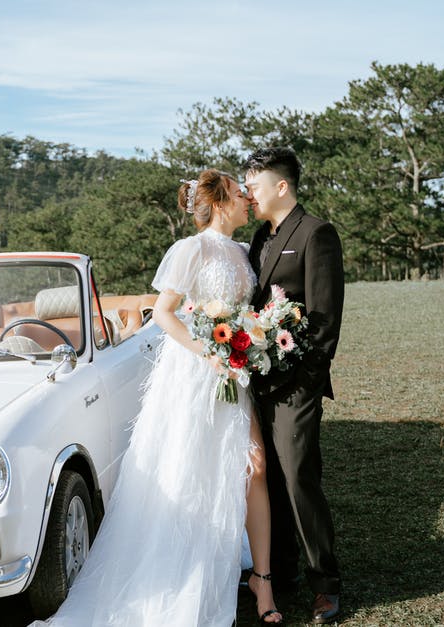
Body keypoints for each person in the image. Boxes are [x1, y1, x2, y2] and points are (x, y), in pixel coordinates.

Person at [32, 169, 282, 626]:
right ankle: (187, 568)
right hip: (195, 372)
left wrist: (248, 341)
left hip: (234, 369)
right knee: (194, 468)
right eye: (239, 192)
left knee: (254, 466)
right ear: (221, 200)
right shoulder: (194, 248)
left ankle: (262, 579)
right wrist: (208, 351)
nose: (248, 198)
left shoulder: (246, 252)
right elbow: (165, 313)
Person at [243, 147, 344, 625]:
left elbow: (324, 321)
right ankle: (279, 574)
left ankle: (326, 584)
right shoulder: (259, 238)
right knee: (267, 481)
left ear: (281, 186)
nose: (250, 194)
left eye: (255, 186)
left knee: (300, 476)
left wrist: (302, 381)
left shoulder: (317, 233)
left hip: (296, 385)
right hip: (255, 383)